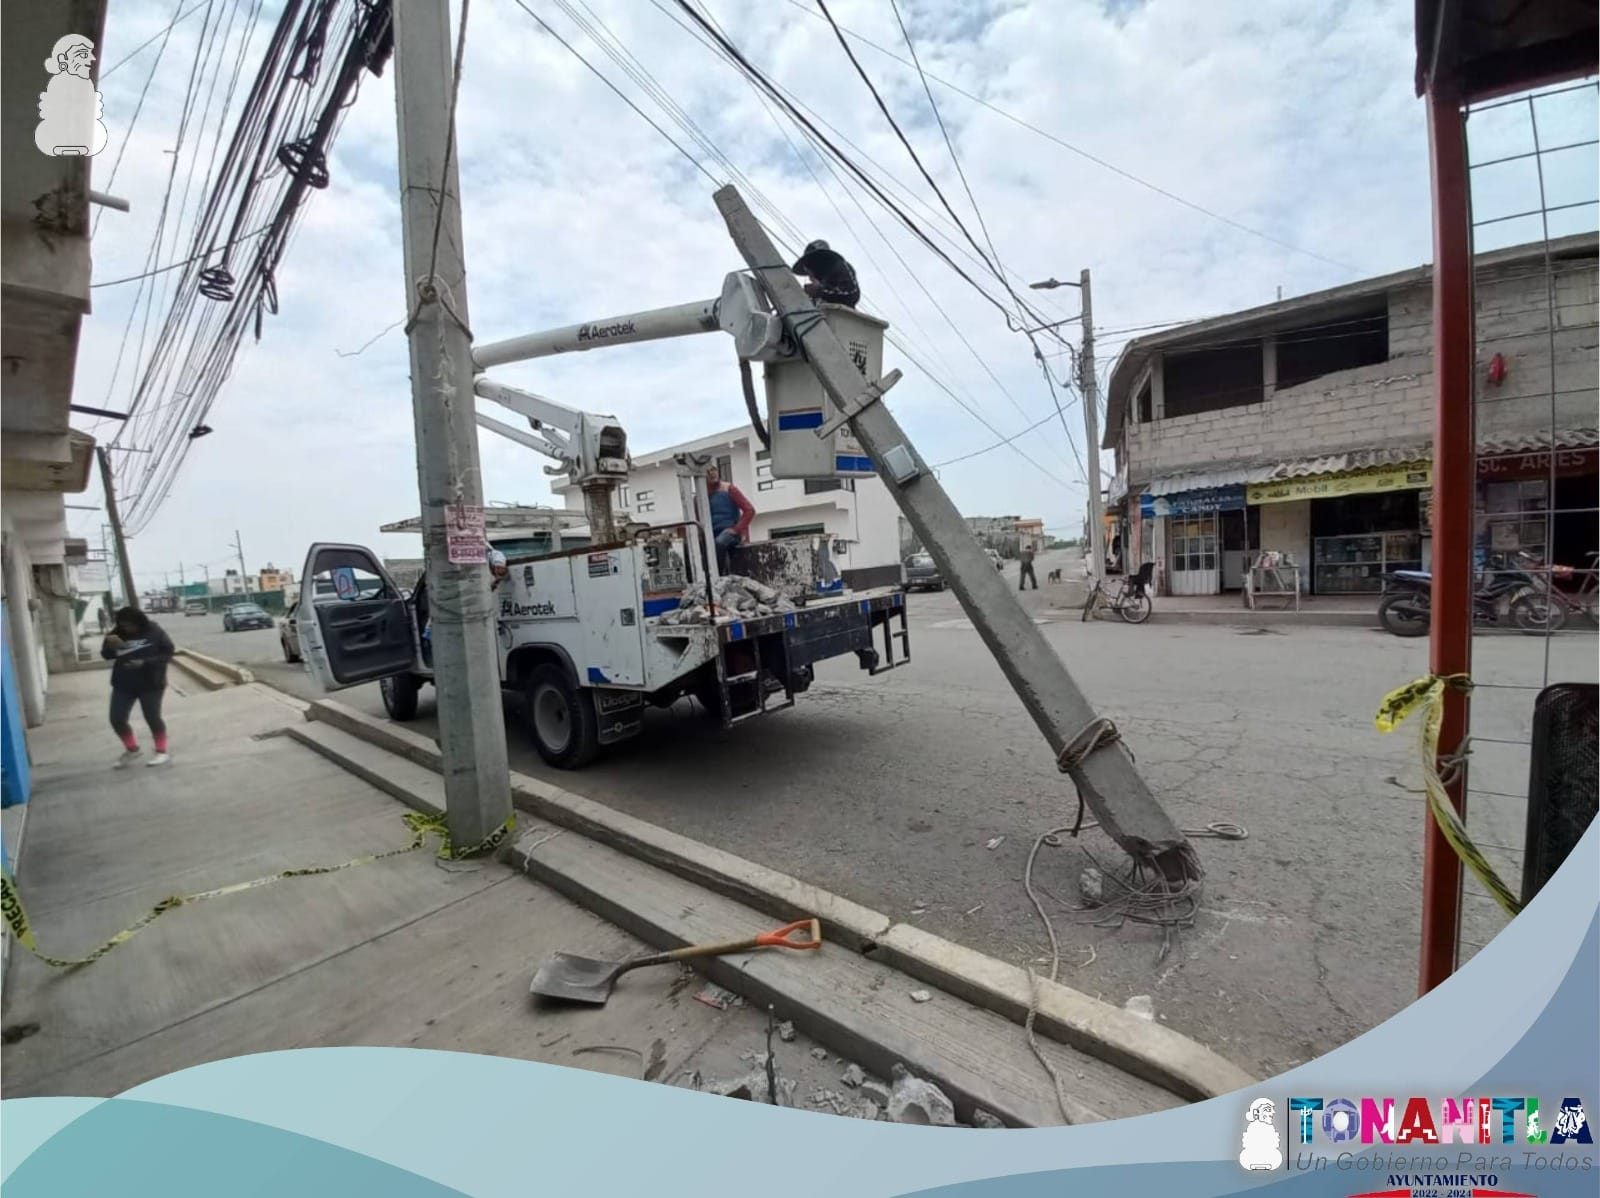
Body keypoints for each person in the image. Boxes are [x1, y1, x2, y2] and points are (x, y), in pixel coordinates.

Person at [101, 606, 174, 767]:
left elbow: (168, 653)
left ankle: (161, 751)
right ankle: (132, 749)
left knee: (152, 717)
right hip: (123, 683)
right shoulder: (117, 632)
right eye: (123, 625)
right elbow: (106, 655)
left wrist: (145, 663)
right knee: (117, 718)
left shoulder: (154, 631)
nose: (127, 628)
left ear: (139, 622)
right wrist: (110, 646)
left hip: (151, 682)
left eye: (129, 625)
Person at [707, 465, 755, 574]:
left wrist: (736, 530)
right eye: (708, 472)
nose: (712, 473)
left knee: (719, 543)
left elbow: (749, 510)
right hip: (712, 534)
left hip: (730, 533)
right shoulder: (701, 496)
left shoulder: (729, 489)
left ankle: (718, 578)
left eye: (713, 470)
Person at [791, 240, 860, 308]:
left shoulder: (840, 267)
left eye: (812, 262)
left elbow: (852, 294)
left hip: (843, 315)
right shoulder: (820, 280)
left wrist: (820, 291)